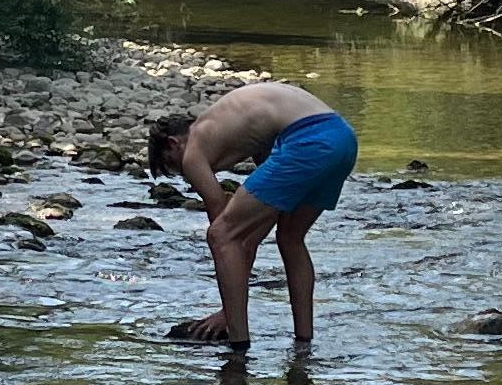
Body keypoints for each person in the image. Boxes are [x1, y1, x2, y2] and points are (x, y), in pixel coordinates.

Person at [148, 77, 361, 353]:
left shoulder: (193, 148)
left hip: (308, 141)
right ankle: (303, 344)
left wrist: (227, 310)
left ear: (174, 144)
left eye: (173, 167)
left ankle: (238, 345)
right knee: (290, 238)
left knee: (221, 235)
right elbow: (255, 228)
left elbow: (224, 232)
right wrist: (245, 241)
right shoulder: (238, 127)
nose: (187, 176)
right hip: (342, 139)